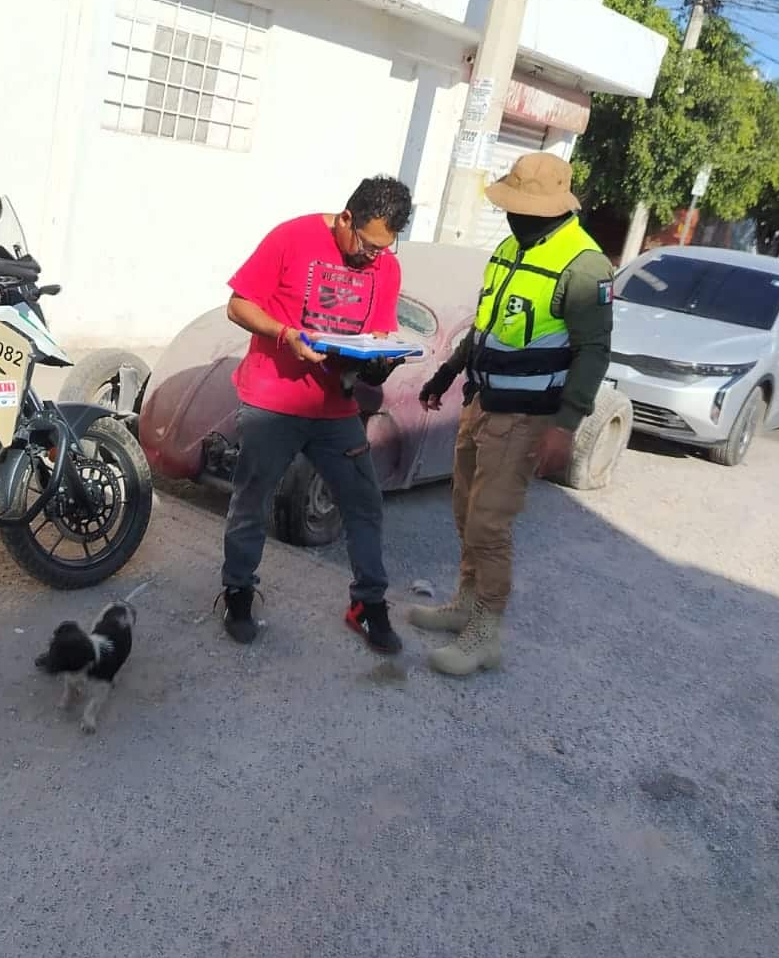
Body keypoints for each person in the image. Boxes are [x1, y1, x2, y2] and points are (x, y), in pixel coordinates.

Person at [408, 151, 614, 677]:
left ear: (554, 208)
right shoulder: (511, 246)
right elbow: (487, 324)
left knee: (489, 524)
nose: (512, 215)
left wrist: (565, 425)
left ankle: (487, 634)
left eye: (522, 207)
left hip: (528, 416)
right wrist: (448, 372)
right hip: (482, 403)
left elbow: (593, 351)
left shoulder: (585, 265)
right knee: (464, 513)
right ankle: (465, 604)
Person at [219, 176, 413, 653]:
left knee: (364, 503)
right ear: (347, 218)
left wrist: (382, 362)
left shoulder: (385, 267)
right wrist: (286, 335)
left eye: (383, 251)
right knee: (251, 503)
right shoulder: (292, 237)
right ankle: (238, 593)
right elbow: (237, 305)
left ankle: (368, 606)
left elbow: (375, 341)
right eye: (367, 246)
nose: (373, 259)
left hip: (334, 407)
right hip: (272, 401)